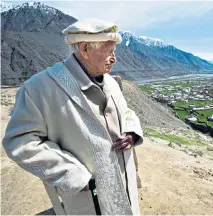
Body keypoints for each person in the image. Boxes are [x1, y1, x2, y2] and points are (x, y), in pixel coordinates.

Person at [2, 18, 143, 215]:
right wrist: (72, 174)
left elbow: (126, 111)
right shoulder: (40, 88)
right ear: (85, 49)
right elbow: (19, 141)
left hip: (123, 185)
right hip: (86, 197)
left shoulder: (111, 82)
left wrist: (131, 131)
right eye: (110, 52)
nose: (114, 59)